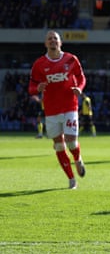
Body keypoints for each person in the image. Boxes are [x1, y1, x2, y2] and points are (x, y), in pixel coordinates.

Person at [28, 30, 87, 190]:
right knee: (59, 146)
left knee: (71, 141)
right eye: (50, 39)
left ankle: (77, 158)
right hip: (51, 109)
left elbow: (81, 78)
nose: (53, 41)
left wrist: (79, 88)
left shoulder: (71, 59)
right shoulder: (39, 64)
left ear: (60, 42)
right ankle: (71, 179)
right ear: (46, 43)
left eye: (55, 38)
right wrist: (37, 88)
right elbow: (31, 87)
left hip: (70, 106)